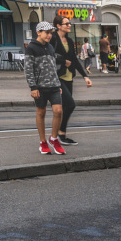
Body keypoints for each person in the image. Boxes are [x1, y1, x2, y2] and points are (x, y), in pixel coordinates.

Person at [25, 21, 65, 155]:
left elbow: (53, 67)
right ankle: (43, 142)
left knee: (58, 111)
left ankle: (54, 139)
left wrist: (58, 84)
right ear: (39, 32)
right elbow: (28, 69)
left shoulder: (50, 47)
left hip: (54, 85)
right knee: (41, 113)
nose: (49, 36)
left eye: (50, 33)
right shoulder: (31, 47)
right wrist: (33, 87)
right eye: (47, 33)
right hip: (40, 87)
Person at [51, 14, 92, 144]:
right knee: (70, 104)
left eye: (69, 23)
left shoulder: (69, 40)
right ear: (58, 26)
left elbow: (74, 59)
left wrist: (85, 76)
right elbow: (49, 56)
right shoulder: (53, 38)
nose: (69, 25)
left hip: (69, 77)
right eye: (66, 23)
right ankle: (60, 134)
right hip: (57, 77)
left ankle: (59, 135)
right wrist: (64, 61)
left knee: (65, 107)